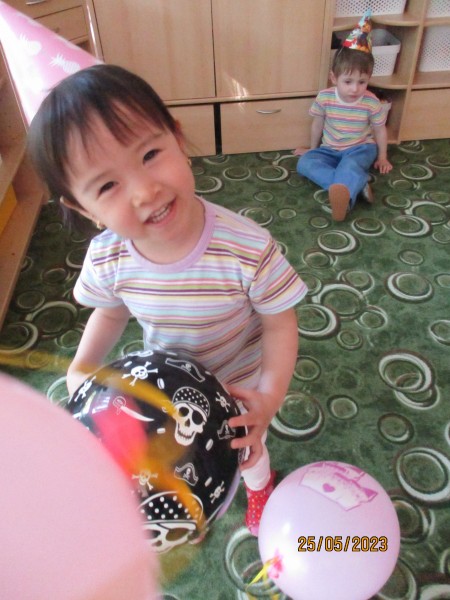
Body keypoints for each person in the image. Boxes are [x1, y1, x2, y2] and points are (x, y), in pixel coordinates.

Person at [27, 64, 308, 536]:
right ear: (81, 207)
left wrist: (268, 397)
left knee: (248, 448)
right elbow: (110, 312)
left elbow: (280, 323)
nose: (145, 191)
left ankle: (261, 488)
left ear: (177, 138)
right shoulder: (109, 257)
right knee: (166, 455)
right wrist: (83, 365)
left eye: (150, 154)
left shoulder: (247, 248)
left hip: (238, 381)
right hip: (163, 382)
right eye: (107, 186)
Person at [295, 11, 393, 221]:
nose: (355, 89)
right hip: (329, 149)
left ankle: (344, 199)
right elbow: (317, 123)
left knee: (350, 165)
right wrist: (312, 149)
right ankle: (358, 183)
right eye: (348, 82)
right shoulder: (325, 97)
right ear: (334, 78)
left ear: (368, 79)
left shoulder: (371, 101)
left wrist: (382, 156)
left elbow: (379, 130)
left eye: (362, 82)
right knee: (305, 164)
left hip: (360, 148)